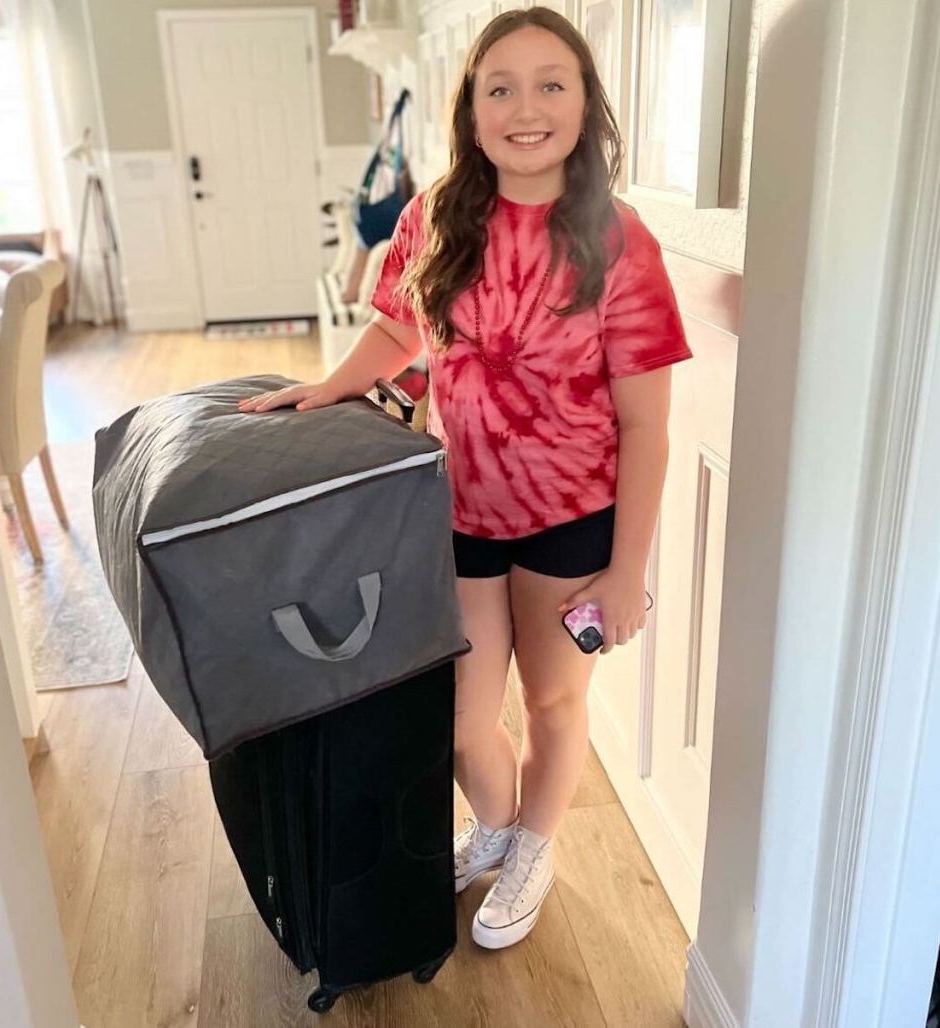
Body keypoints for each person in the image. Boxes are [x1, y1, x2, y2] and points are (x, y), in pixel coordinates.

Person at [239, 6, 692, 951]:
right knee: (457, 715)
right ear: (473, 109)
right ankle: (493, 825)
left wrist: (626, 570)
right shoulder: (436, 214)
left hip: (577, 524)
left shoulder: (621, 240)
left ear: (584, 103)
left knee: (553, 703)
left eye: (550, 84)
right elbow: (401, 332)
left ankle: (534, 845)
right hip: (464, 512)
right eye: (501, 87)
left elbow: (648, 424)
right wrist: (327, 388)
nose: (525, 108)